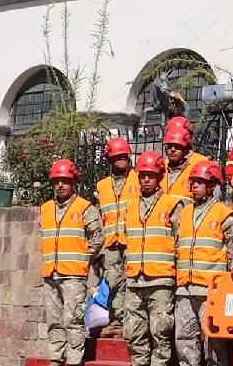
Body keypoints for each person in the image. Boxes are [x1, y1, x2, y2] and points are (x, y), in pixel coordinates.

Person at [175, 160, 233, 366]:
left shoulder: (224, 214)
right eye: (193, 181)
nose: (194, 185)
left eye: (200, 182)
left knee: (214, 341)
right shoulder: (184, 213)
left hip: (211, 289)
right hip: (185, 288)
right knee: (184, 339)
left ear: (212, 186)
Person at [40, 159, 103, 366]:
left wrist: (85, 259)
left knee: (73, 322)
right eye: (57, 181)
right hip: (51, 274)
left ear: (74, 182)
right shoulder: (45, 209)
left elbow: (98, 238)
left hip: (74, 275)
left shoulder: (85, 208)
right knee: (53, 322)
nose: (60, 185)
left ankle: (74, 361)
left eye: (65, 181)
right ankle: (55, 359)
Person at [124, 150, 183, 366]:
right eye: (142, 175)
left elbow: (181, 242)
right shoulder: (130, 206)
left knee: (161, 333)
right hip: (134, 280)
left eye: (150, 175)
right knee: (134, 333)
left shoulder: (172, 204)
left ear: (160, 177)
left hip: (161, 280)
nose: (146, 180)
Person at [96, 137, 140, 333]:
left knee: (133, 282)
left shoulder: (138, 179)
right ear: (110, 159)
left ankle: (131, 322)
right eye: (117, 157)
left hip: (133, 240)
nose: (121, 160)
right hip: (111, 241)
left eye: (124, 156)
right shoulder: (102, 185)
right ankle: (117, 321)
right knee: (114, 282)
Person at [162, 126, 206, 203]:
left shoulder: (194, 170)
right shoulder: (161, 170)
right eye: (169, 146)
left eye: (177, 147)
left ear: (185, 150)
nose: (172, 150)